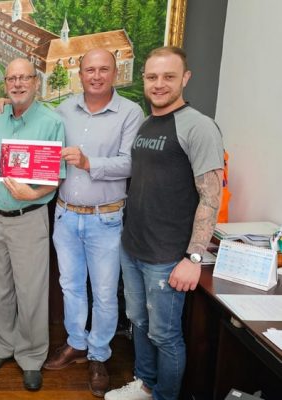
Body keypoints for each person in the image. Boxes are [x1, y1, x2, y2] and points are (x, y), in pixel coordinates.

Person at [105, 46, 224, 400]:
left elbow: (211, 197)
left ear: (185, 78)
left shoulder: (199, 127)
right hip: (134, 247)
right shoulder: (146, 123)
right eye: (152, 77)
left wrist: (193, 258)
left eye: (169, 76)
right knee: (139, 322)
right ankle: (145, 384)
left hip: (167, 256)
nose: (159, 84)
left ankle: (164, 396)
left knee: (165, 335)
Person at [42, 49, 144, 397]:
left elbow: (130, 163)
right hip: (65, 214)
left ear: (115, 73)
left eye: (103, 69)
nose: (96, 76)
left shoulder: (131, 112)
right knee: (70, 286)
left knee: (103, 292)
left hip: (106, 218)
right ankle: (76, 343)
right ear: (80, 74)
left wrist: (88, 162)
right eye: (90, 70)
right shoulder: (63, 110)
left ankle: (99, 354)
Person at [0, 58, 65, 391]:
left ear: (36, 82)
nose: (18, 84)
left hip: (29, 218)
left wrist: (31, 193)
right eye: (12, 78)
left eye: (25, 78)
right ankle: (2, 347)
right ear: (5, 84)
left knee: (31, 292)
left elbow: (55, 178)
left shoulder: (52, 122)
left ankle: (31, 357)